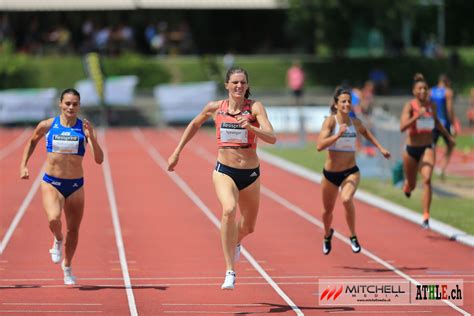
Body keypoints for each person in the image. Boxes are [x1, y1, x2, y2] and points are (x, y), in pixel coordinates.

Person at [167, 67, 277, 290]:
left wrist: (252, 128)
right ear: (227, 85)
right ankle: (230, 271)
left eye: (243, 83)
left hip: (251, 175)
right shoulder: (216, 108)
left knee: (248, 226)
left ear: (247, 86)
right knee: (228, 210)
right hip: (224, 171)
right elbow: (195, 124)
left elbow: (272, 137)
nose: (239, 87)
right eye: (235, 83)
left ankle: (236, 240)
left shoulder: (254, 107)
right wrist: (177, 151)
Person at [20, 88, 104, 285]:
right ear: (60, 104)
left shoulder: (84, 128)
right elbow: (31, 142)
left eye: (75, 104)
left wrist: (91, 136)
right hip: (52, 182)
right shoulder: (48, 125)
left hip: (75, 185)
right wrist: (23, 165)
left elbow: (99, 160)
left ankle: (67, 266)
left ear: (79, 106)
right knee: (54, 219)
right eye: (67, 103)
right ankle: (57, 239)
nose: (71, 107)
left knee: (73, 230)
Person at [316, 87, 390, 255]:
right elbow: (319, 146)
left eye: (349, 101)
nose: (347, 104)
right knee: (327, 211)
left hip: (351, 171)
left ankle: (353, 235)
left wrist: (381, 148)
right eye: (343, 101)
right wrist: (337, 135)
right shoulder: (330, 122)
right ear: (336, 104)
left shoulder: (355, 123)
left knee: (346, 198)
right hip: (330, 175)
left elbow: (367, 133)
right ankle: (327, 234)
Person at [400, 74, 455, 229]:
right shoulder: (409, 106)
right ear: (414, 91)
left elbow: (436, 122)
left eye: (425, 88)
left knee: (426, 180)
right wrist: (417, 116)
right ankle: (408, 186)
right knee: (412, 184)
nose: (423, 91)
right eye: (420, 89)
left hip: (427, 147)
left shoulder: (432, 106)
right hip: (411, 150)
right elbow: (402, 127)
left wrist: (448, 137)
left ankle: (425, 216)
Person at [430, 74, 456, 179]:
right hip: (444, 124)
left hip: (433, 122)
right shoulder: (448, 92)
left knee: (431, 146)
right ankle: (441, 168)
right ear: (447, 82)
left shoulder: (430, 91)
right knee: (451, 144)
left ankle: (430, 166)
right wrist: (453, 123)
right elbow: (449, 110)